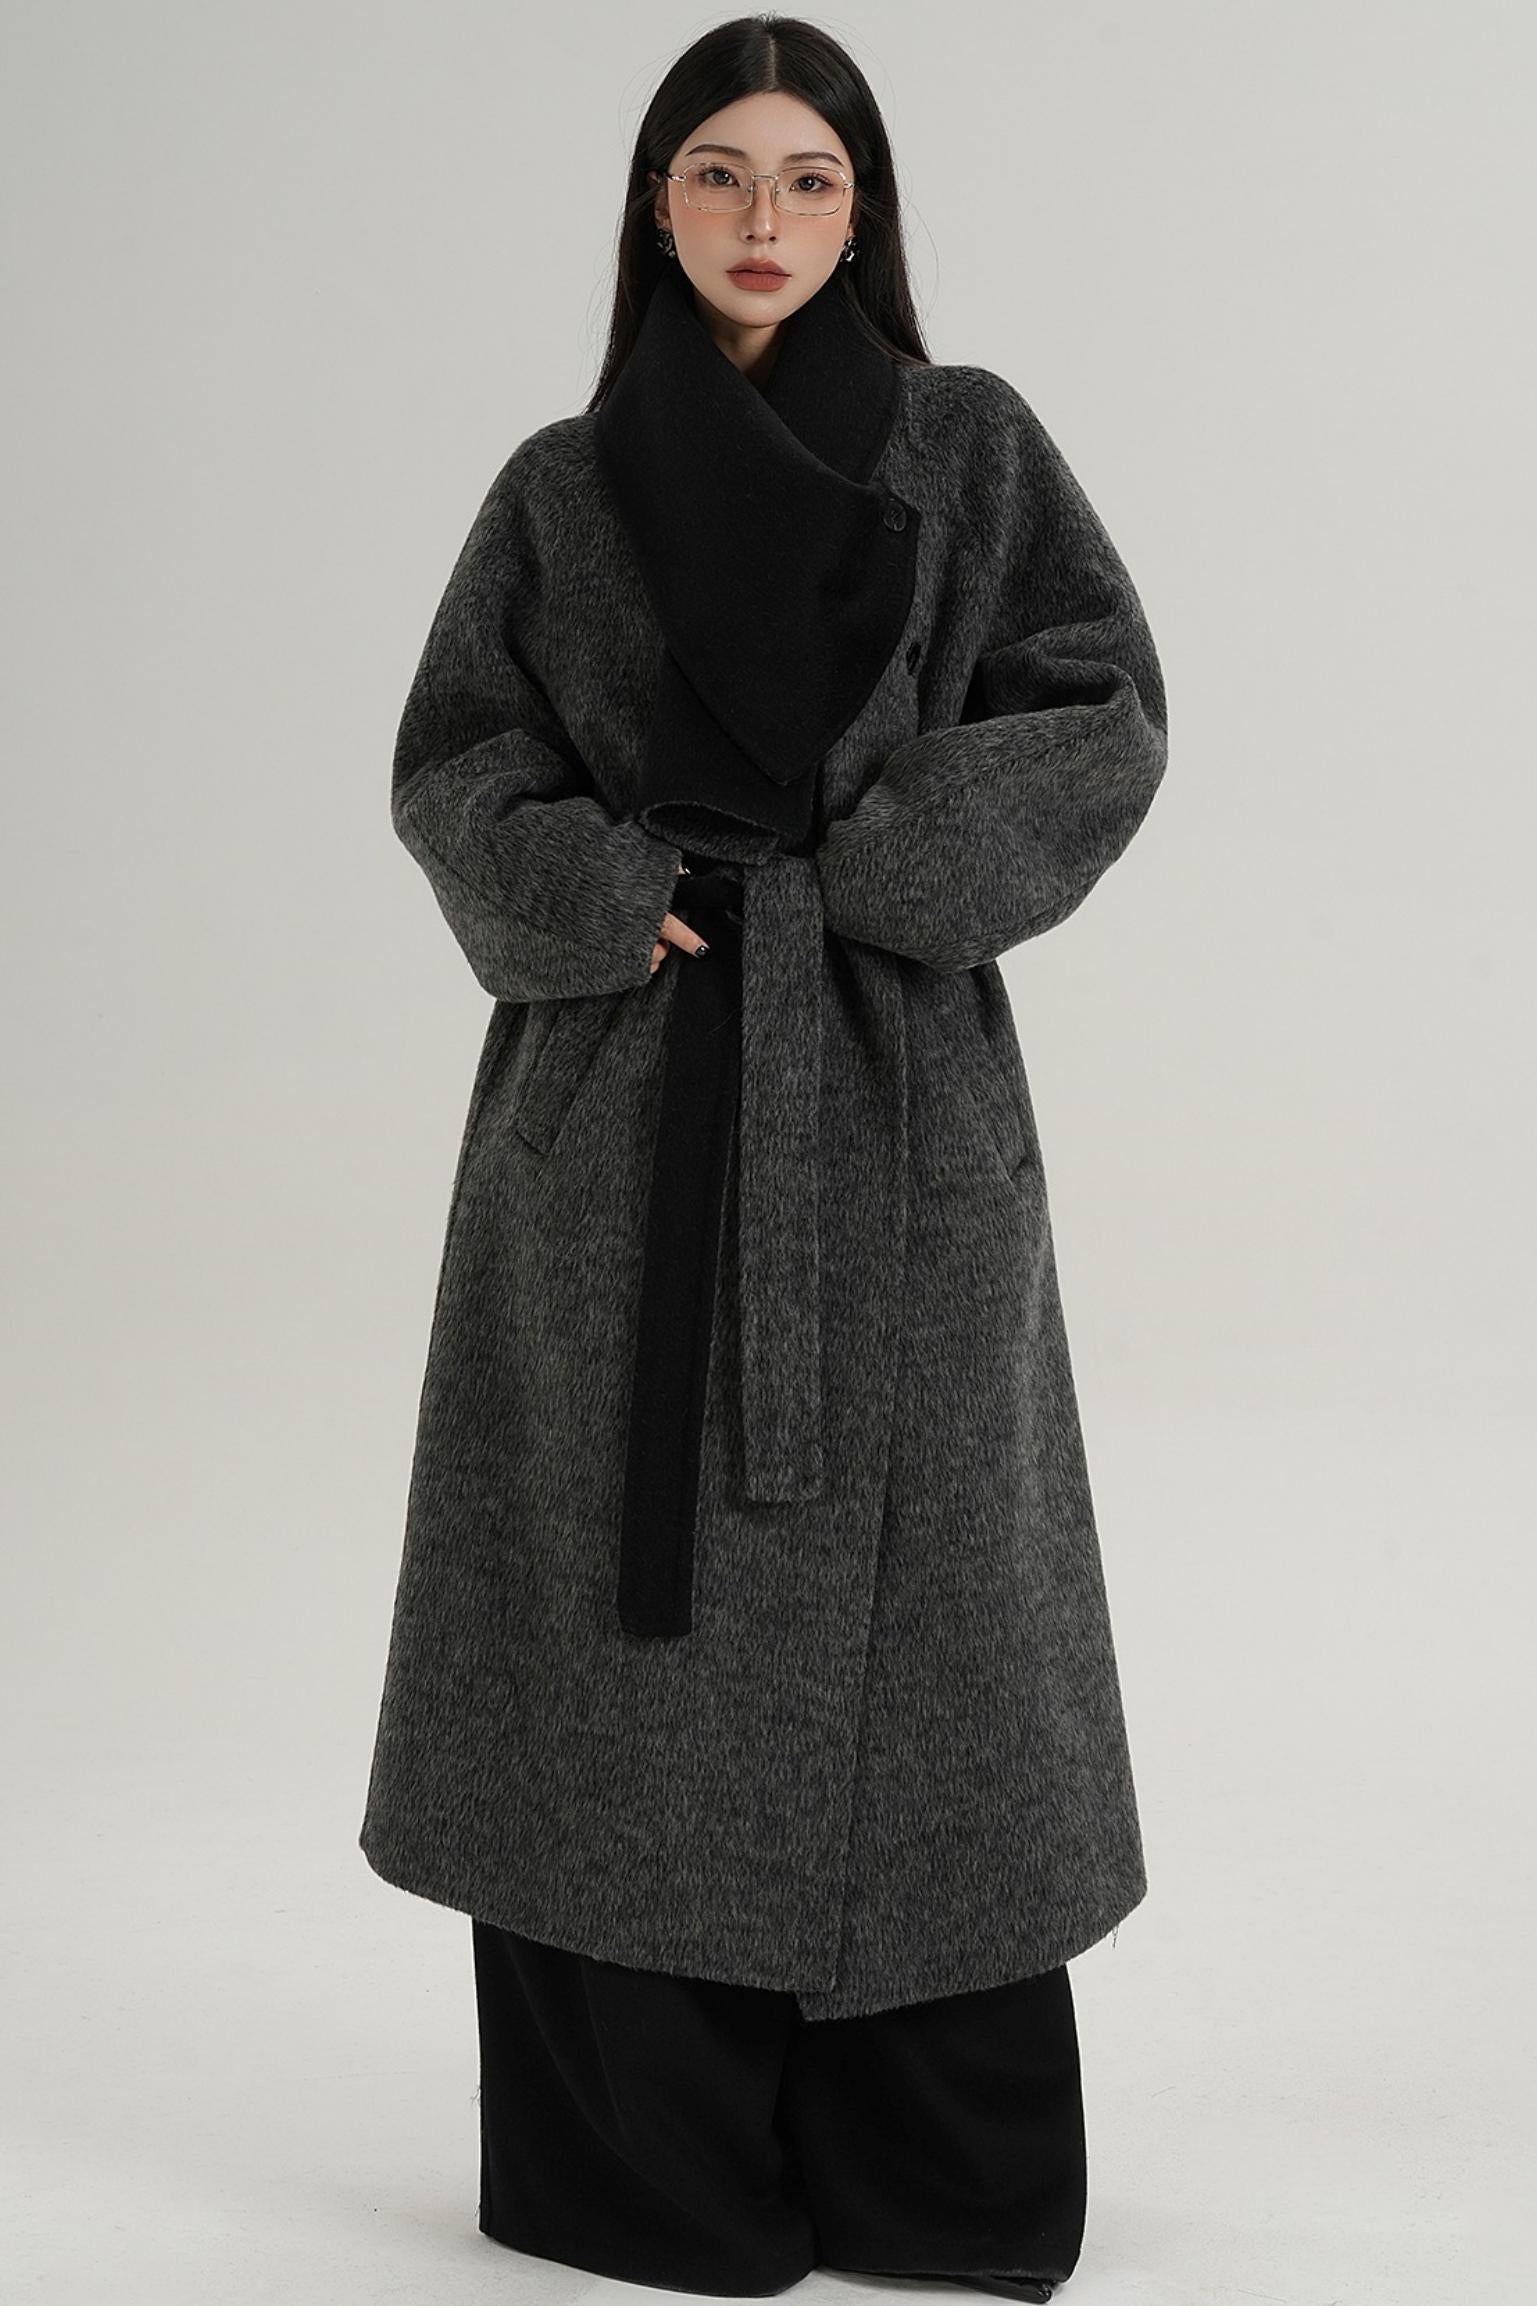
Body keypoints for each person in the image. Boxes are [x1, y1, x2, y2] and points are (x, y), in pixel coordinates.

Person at [360, 15, 1169, 2300]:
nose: (761, 221)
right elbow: (458, 759)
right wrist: (601, 883)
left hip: (888, 1095)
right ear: (654, 200)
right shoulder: (560, 484)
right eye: (718, 173)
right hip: (626, 1110)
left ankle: (933, 2179)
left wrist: (885, 863)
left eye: (809, 181)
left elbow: (1098, 706)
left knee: (938, 1619)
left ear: (861, 212)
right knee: (611, 1630)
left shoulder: (966, 441)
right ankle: (658, 2173)